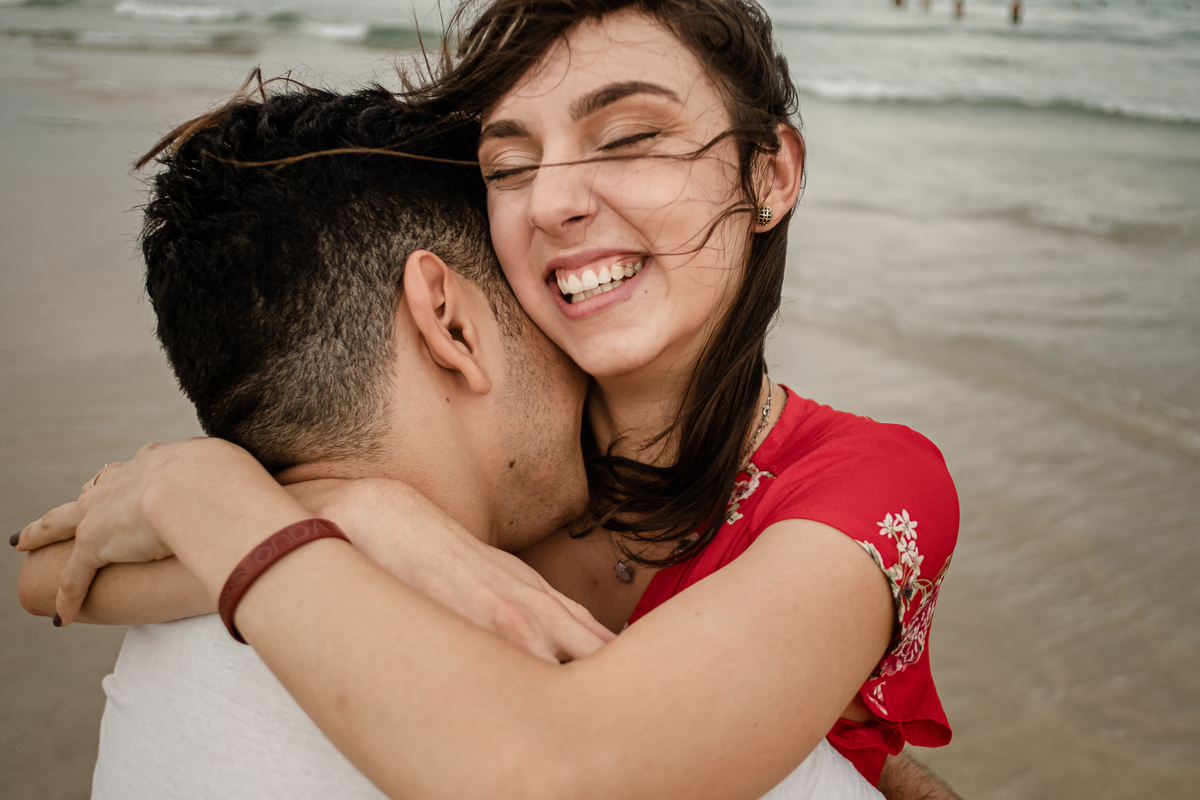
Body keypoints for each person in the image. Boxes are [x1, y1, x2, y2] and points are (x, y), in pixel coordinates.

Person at [17, 1, 961, 798]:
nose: (552, 202)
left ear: (771, 175)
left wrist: (207, 493)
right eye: (509, 166)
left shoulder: (865, 480)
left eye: (628, 137)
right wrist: (363, 509)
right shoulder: (508, 451)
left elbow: (572, 769)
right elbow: (58, 574)